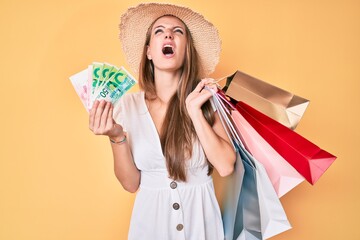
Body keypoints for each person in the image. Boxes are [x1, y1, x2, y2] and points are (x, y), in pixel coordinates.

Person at [89, 3, 236, 240]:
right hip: (150, 225)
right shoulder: (127, 106)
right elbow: (131, 184)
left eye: (178, 31)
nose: (168, 34)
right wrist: (117, 137)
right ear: (148, 51)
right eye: (159, 31)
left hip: (201, 224)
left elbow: (226, 166)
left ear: (187, 49)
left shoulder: (206, 100)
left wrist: (194, 112)